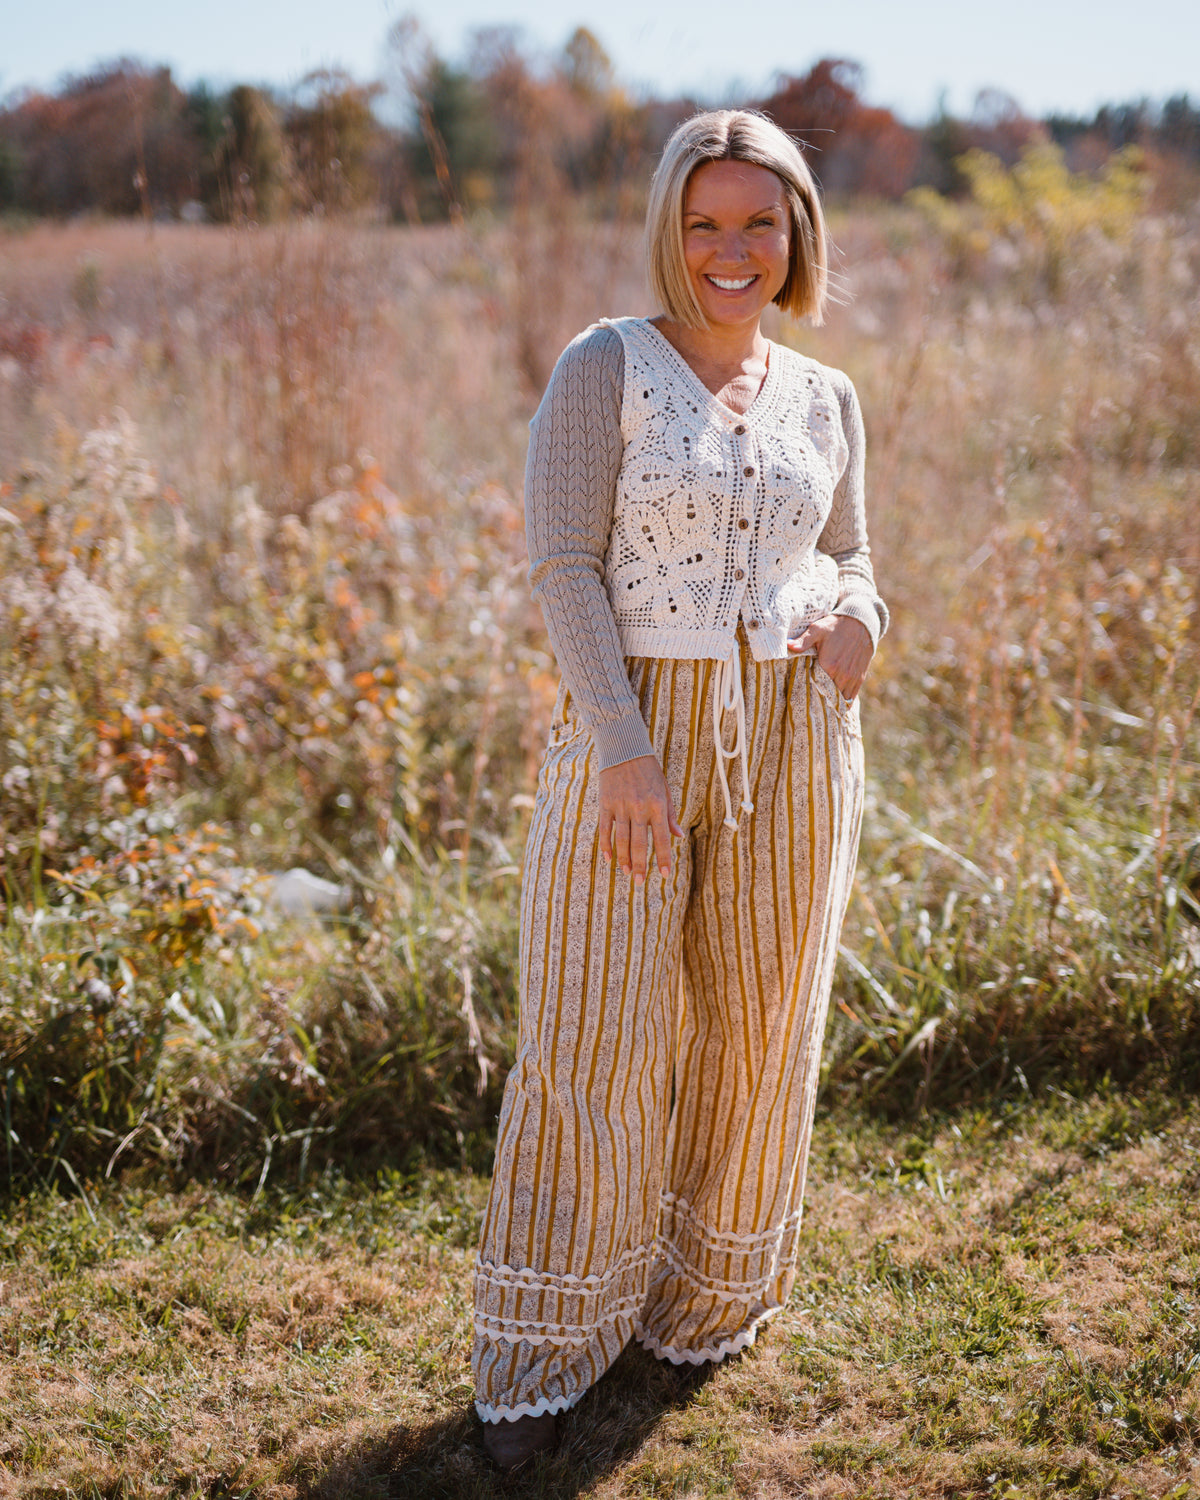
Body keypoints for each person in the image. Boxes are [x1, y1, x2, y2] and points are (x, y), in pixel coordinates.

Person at [472, 108, 888, 1470]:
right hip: (634, 732)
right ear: (670, 230)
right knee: (597, 1032)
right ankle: (547, 1347)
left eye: (758, 222)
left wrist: (862, 621)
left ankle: (702, 1303)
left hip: (794, 734)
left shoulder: (827, 396)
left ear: (796, 235)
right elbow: (563, 565)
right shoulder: (606, 368)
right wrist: (625, 750)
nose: (731, 249)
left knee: (762, 1025)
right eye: (704, 222)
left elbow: (853, 554)